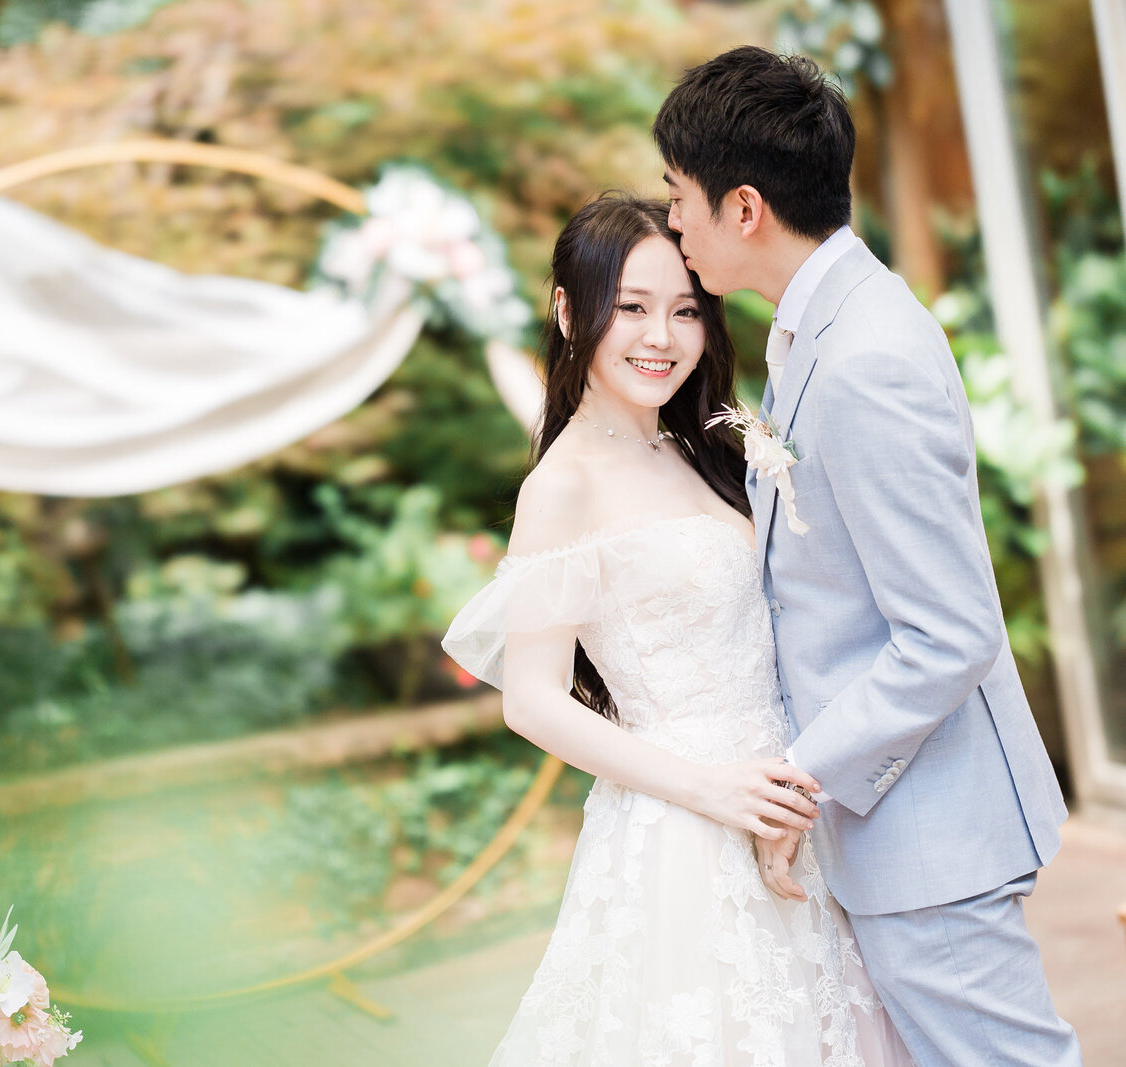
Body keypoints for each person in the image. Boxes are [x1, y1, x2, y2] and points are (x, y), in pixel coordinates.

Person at [654, 47, 1080, 1065]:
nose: (672, 222)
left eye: (679, 196)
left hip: (931, 834)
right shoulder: (817, 328)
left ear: (743, 206)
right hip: (899, 828)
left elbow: (950, 632)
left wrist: (799, 776)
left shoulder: (864, 357)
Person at [443, 193, 911, 1065]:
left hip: (787, 805)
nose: (661, 335)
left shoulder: (703, 446)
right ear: (566, 309)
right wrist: (713, 790)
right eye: (631, 307)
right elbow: (533, 704)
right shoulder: (563, 485)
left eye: (685, 310)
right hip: (685, 827)